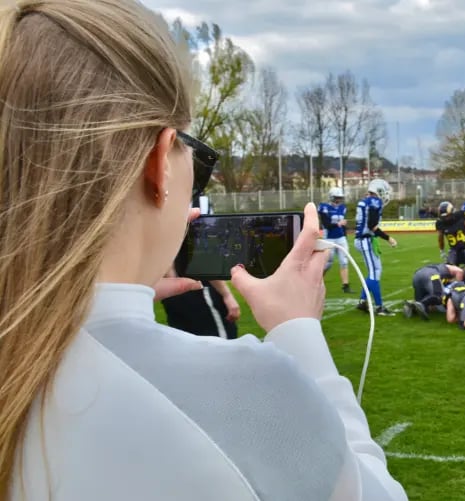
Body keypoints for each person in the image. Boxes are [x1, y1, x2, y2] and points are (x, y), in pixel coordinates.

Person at [0, 2, 407, 500]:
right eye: (198, 156)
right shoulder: (248, 387)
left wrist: (89, 300)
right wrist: (298, 333)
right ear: (160, 163)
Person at [161, 193, 241, 339]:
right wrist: (227, 294)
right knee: (221, 345)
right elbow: (205, 253)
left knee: (185, 344)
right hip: (198, 288)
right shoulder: (198, 202)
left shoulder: (158, 197)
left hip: (169, 287)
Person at [355, 178, 398, 316]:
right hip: (365, 239)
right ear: (378, 191)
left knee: (376, 270)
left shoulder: (366, 201)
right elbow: (372, 225)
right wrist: (388, 238)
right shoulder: (374, 201)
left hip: (365, 239)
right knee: (374, 272)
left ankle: (363, 301)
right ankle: (379, 307)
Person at [319, 187, 351, 293]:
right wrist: (339, 224)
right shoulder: (324, 207)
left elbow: (342, 226)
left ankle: (345, 286)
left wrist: (345, 235)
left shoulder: (342, 208)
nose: (339, 200)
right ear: (332, 197)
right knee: (328, 262)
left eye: (340, 198)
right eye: (337, 197)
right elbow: (326, 224)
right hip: (329, 239)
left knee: (344, 261)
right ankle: (317, 281)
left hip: (340, 238)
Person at [436, 201, 465, 266]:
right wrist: (442, 250)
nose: (446, 219)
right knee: (449, 267)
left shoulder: (460, 216)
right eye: (444, 217)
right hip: (454, 249)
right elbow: (440, 238)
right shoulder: (440, 223)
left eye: (447, 216)